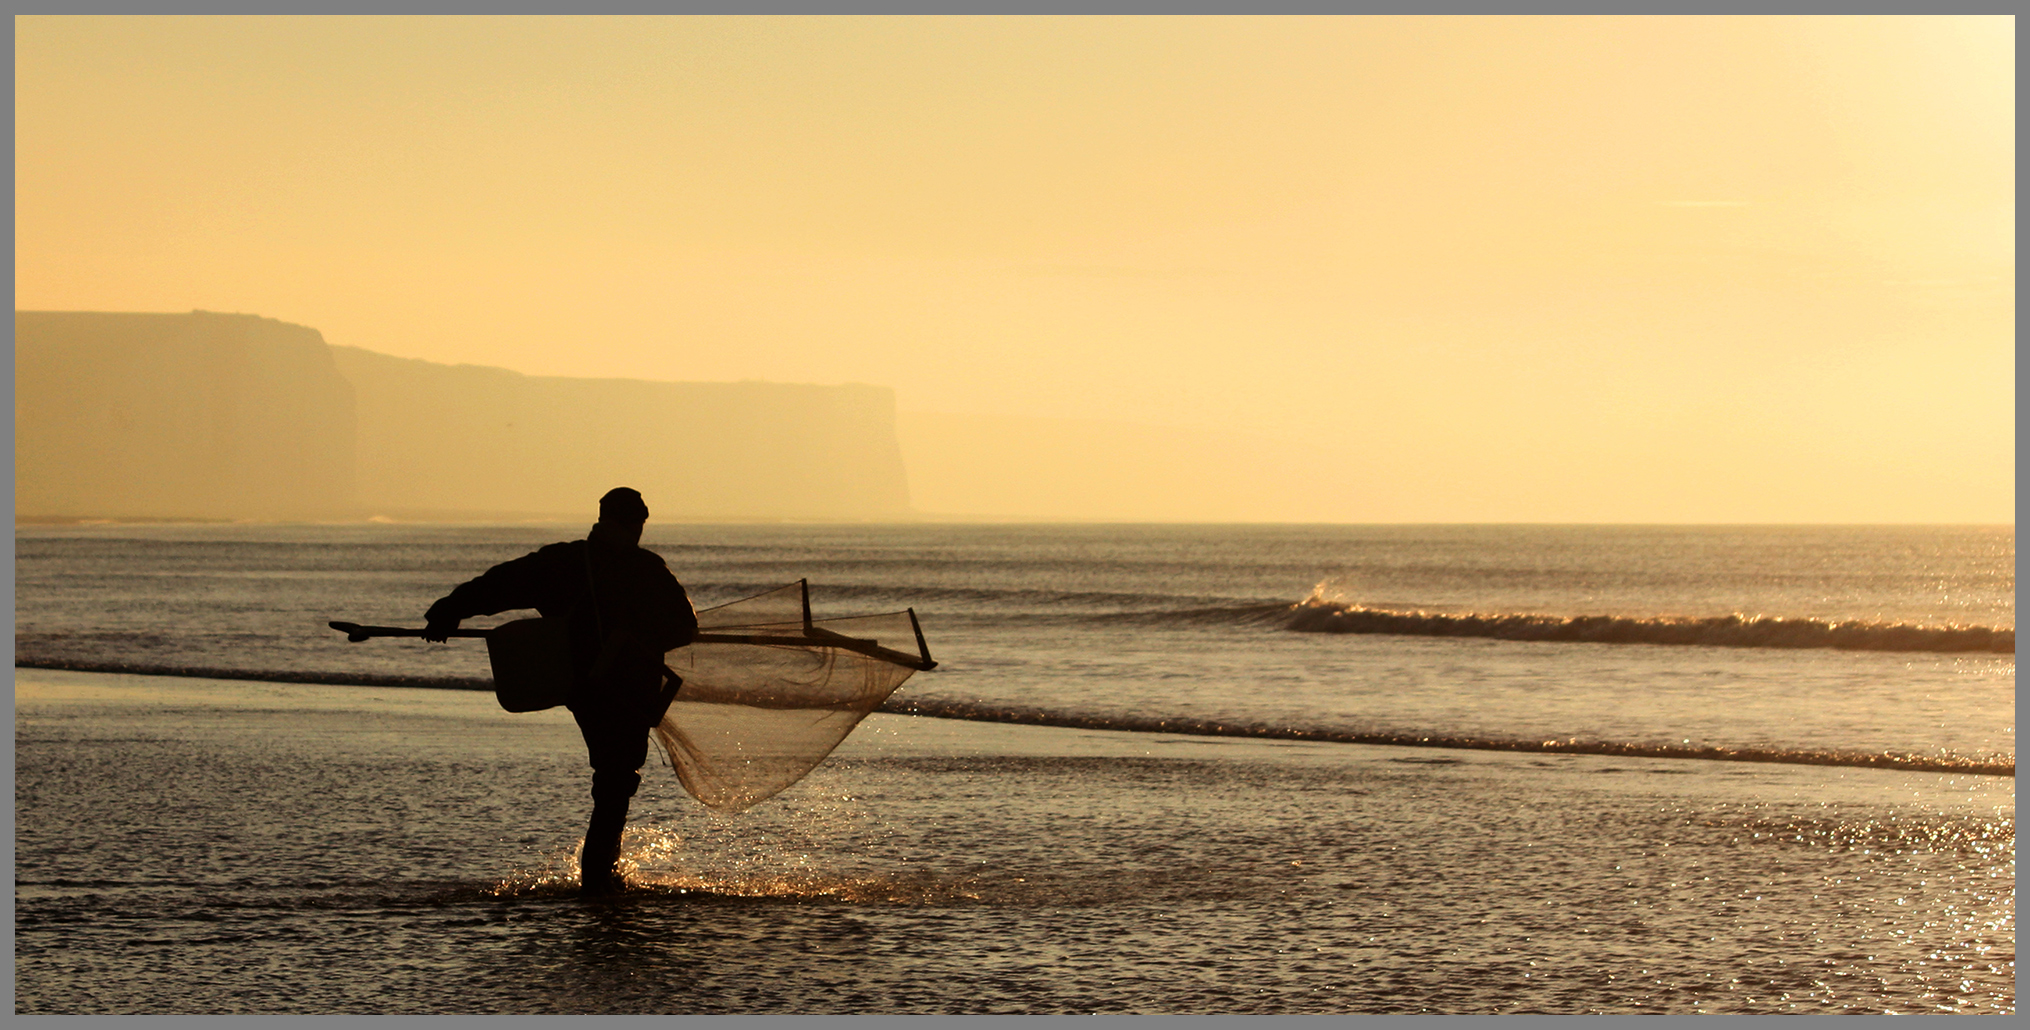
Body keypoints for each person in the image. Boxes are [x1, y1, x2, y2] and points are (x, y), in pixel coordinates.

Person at [422, 487, 697, 896]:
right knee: (616, 783)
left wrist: (449, 609)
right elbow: (683, 627)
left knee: (612, 781)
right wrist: (635, 636)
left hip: (581, 687)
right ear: (634, 522)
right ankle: (599, 885)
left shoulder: (564, 560)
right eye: (637, 522)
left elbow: (499, 585)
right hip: (625, 692)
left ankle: (601, 879)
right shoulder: (645, 568)